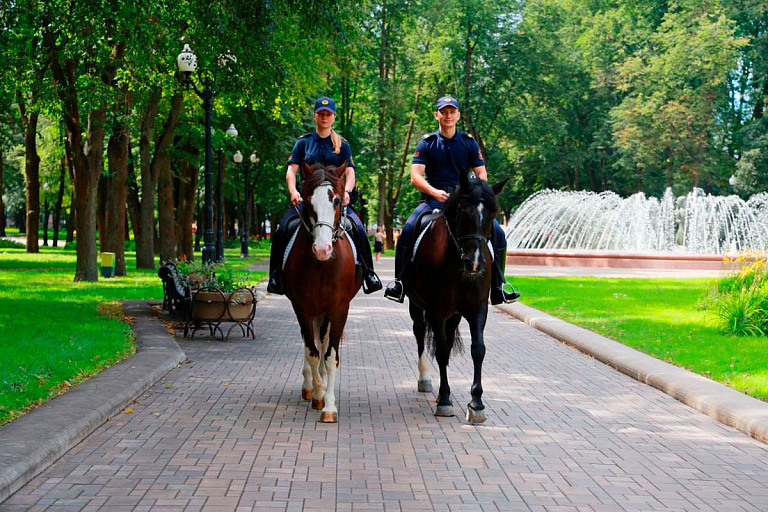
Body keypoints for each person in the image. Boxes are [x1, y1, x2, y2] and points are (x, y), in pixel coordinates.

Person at [384, 95, 520, 305]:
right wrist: (434, 192)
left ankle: (499, 285)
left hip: (464, 201)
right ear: (437, 115)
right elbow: (415, 175)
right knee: (408, 230)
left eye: (452, 111)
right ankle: (399, 283)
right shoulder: (427, 143)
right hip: (434, 201)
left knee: (498, 233)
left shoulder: (468, 142)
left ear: (457, 115)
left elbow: (481, 174)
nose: (448, 115)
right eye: (444, 111)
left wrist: (474, 192)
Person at [267, 97, 383, 295]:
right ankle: (276, 275)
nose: (324, 117)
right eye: (321, 113)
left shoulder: (343, 145)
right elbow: (291, 171)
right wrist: (294, 191)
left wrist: (346, 191)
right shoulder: (303, 143)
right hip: (308, 203)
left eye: (328, 114)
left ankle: (368, 274)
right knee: (282, 229)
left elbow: (350, 173)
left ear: (333, 117)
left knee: (359, 229)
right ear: (315, 116)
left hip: (335, 203)